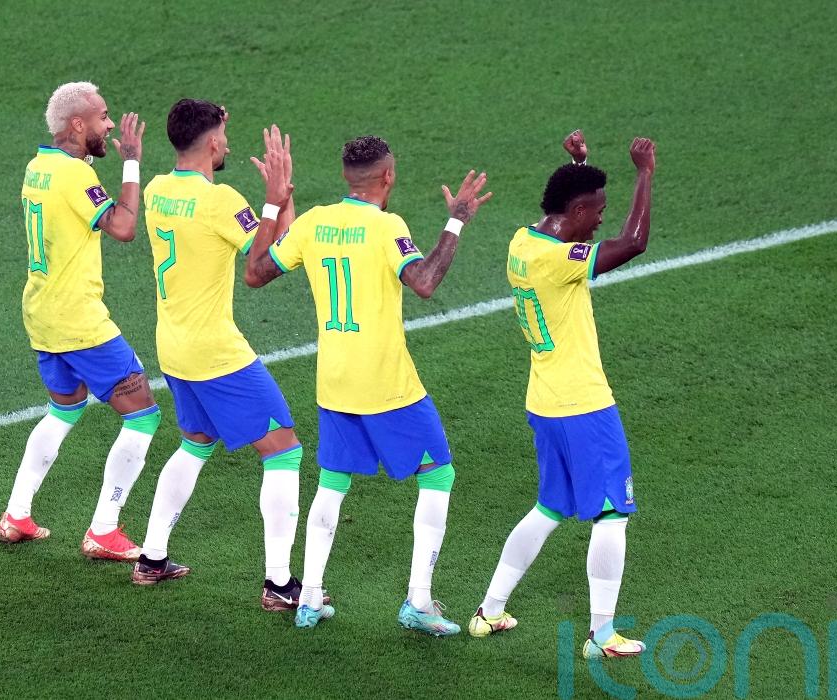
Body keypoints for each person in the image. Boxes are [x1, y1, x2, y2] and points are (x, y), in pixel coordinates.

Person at [245, 132, 492, 635]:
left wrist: (273, 206)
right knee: (437, 475)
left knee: (333, 481)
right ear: (388, 176)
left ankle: (309, 598)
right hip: (386, 384)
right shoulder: (386, 226)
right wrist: (457, 220)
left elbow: (255, 272)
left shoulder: (313, 222)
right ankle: (418, 601)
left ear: (345, 176)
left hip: (334, 382)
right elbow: (424, 281)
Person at [468, 130, 656, 659]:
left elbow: (565, 213)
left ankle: (489, 610)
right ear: (576, 210)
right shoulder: (560, 261)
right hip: (583, 404)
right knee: (612, 514)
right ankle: (602, 635)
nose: (600, 220)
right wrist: (644, 172)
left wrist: (579, 164)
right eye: (597, 211)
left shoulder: (522, 243)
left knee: (549, 507)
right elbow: (633, 243)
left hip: (545, 401)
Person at [132, 100, 308, 613]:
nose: (228, 144)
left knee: (195, 442)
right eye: (225, 136)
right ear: (211, 143)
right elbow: (267, 263)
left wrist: (281, 201)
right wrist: (275, 200)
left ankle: (152, 557)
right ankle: (280, 584)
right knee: (284, 451)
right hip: (215, 353)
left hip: (173, 348)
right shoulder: (220, 201)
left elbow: (277, 241)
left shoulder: (156, 190)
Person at [0, 81, 159, 564]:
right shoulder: (73, 175)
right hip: (78, 319)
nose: (109, 125)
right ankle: (104, 530)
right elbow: (123, 227)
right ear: (76, 123)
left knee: (63, 409)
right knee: (143, 415)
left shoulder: (38, 167)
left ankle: (17, 515)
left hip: (42, 313)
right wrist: (131, 162)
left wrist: (91, 161)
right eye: (102, 117)